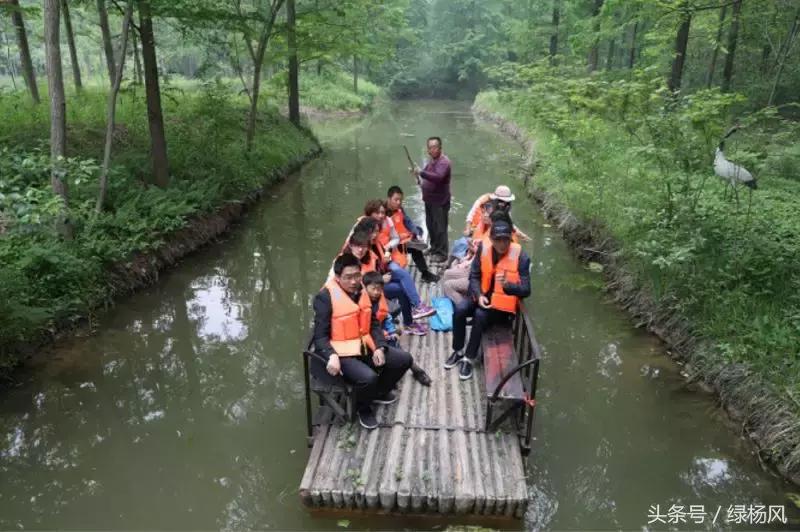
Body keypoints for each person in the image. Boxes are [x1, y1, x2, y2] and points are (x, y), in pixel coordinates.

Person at [313, 253, 413, 429]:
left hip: (363, 345)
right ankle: (362, 408)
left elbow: (373, 323)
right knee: (369, 377)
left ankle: (377, 393)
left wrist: (379, 347)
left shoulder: (361, 290)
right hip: (342, 353)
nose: (353, 281)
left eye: (357, 276)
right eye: (348, 277)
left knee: (404, 360)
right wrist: (331, 355)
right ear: (337, 277)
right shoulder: (325, 298)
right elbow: (320, 336)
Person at [444, 216, 532, 381]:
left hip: (501, 307)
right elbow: (475, 276)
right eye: (498, 240)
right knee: (460, 309)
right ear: (491, 239)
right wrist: (478, 295)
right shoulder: (483, 249)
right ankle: (458, 350)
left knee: (480, 315)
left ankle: (469, 358)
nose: (502, 244)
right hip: (481, 296)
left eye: (505, 239)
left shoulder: (522, 257)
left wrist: (508, 286)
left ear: (510, 238)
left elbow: (526, 289)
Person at [356, 215, 436, 324]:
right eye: (373, 232)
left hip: (381, 276)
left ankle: (417, 307)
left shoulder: (375, 243)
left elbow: (384, 254)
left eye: (377, 232)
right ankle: (410, 320)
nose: (375, 235)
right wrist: (380, 279)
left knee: (402, 274)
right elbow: (362, 278)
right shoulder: (361, 250)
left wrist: (387, 257)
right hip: (373, 285)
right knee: (400, 289)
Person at [363, 271, 432, 386]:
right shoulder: (361, 303)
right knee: (392, 347)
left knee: (395, 343)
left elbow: (386, 317)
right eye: (373, 289)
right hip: (368, 340)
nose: (376, 292)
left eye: (379, 289)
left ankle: (416, 370)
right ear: (365, 288)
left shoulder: (379, 299)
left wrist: (391, 331)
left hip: (380, 335)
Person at [385, 186, 439, 283]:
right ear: (388, 199)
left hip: (401, 238)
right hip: (390, 244)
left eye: (400, 200)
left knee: (418, 231)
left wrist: (416, 233)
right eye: (396, 200)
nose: (398, 202)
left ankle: (424, 273)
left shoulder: (399, 208)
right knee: (415, 247)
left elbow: (407, 221)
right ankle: (423, 273)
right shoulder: (382, 212)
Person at [411, 137, 451, 263]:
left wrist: (421, 172)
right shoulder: (431, 162)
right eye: (430, 147)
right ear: (427, 150)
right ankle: (434, 248)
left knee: (440, 228)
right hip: (429, 200)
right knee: (431, 225)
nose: (432, 150)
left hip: (440, 201)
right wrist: (417, 175)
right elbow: (427, 178)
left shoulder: (444, 162)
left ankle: (442, 253)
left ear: (440, 148)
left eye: (435, 147)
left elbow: (438, 177)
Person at [463, 185, 531, 242]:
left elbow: (509, 222)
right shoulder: (484, 202)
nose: (503, 203)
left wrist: (522, 235)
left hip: (494, 229)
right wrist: (468, 229)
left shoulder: (507, 207)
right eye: (501, 201)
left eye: (505, 201)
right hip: (478, 226)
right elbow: (471, 215)